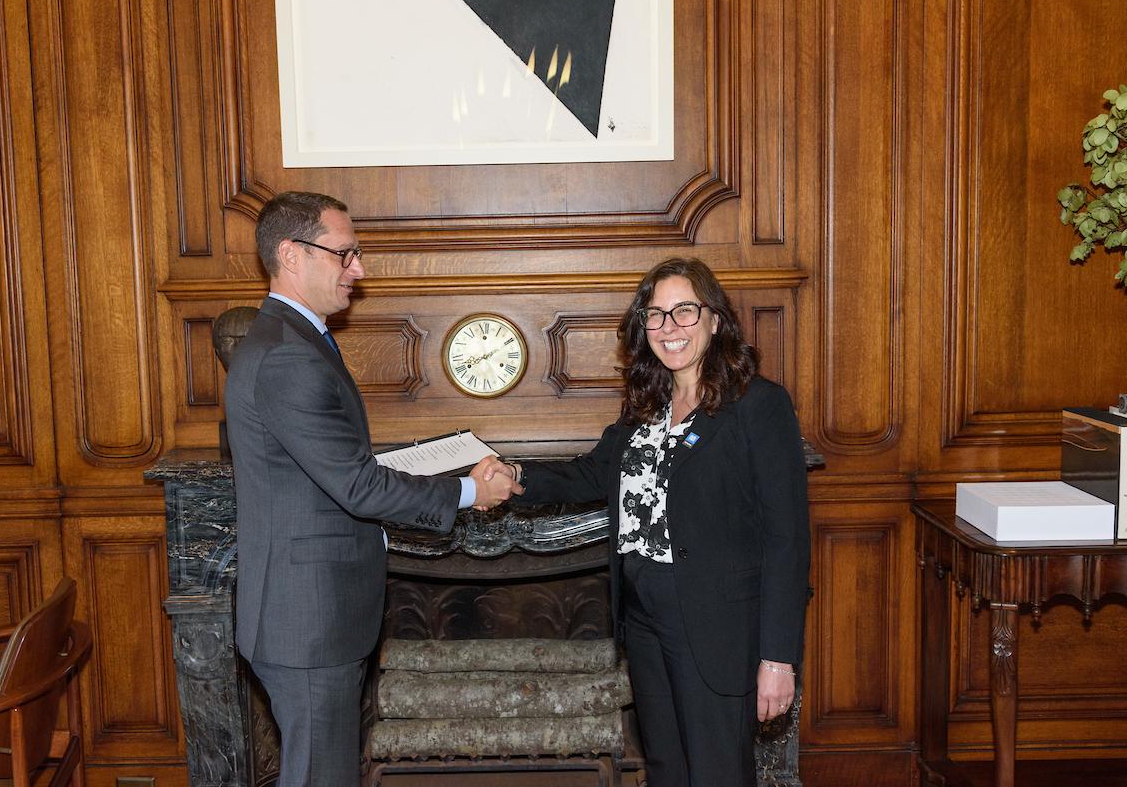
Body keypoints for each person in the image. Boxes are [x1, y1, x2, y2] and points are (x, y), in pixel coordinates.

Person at [225, 191, 521, 787]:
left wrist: (438, 471)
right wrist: (466, 491)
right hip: (307, 621)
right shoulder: (287, 356)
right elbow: (357, 486)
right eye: (345, 254)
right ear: (291, 253)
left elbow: (335, 465)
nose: (358, 270)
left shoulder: (294, 341)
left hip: (308, 616)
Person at [478, 257, 810, 787]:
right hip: (645, 619)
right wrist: (516, 475)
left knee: (718, 773)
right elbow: (592, 474)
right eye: (655, 315)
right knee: (667, 771)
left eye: (684, 311)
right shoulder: (647, 405)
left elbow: (787, 541)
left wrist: (778, 658)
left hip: (716, 623)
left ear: (714, 319)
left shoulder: (758, 405)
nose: (669, 327)